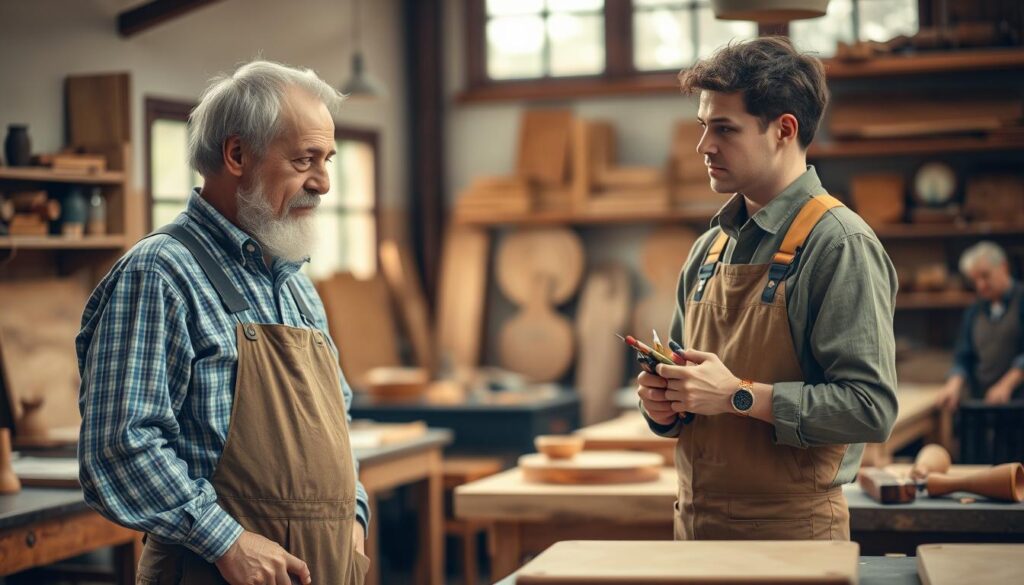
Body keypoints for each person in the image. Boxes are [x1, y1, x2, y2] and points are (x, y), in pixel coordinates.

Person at [77, 60, 370, 584]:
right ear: (237, 154)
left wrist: (353, 515)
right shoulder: (160, 273)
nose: (324, 182)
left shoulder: (294, 284)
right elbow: (120, 447)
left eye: (327, 159)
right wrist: (225, 539)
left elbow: (338, 422)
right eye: (305, 159)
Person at [637, 37, 898, 541]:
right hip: (695, 531)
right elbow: (685, 395)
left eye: (724, 129)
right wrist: (662, 405)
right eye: (703, 127)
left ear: (784, 129)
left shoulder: (839, 245)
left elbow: (871, 408)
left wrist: (738, 395)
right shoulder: (707, 250)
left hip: (792, 539)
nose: (704, 146)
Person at [937, 241, 1024, 410]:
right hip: (985, 401)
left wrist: (1006, 385)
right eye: (975, 280)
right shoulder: (974, 310)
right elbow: (963, 355)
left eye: (985, 276)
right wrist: (953, 384)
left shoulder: (1021, 301)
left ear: (1004, 267)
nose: (980, 285)